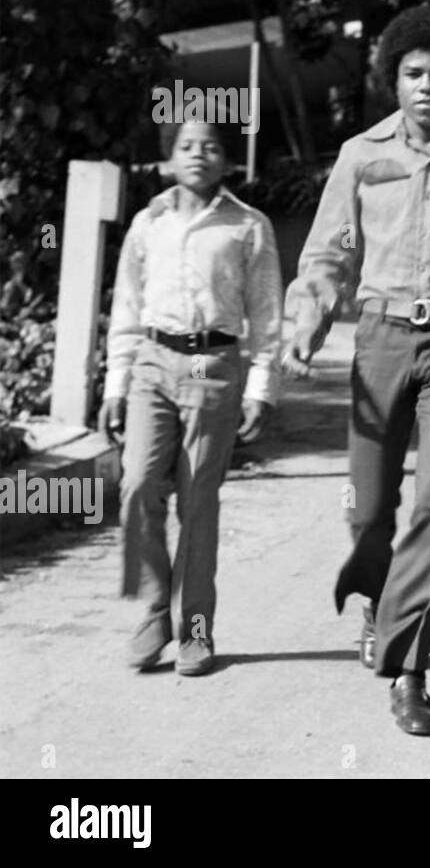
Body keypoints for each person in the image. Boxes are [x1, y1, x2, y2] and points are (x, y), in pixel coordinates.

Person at [283, 5, 430, 736]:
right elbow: (329, 251)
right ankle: (378, 603)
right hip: (382, 337)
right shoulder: (361, 155)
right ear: (395, 81)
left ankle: (411, 667)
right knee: (369, 506)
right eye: (414, 75)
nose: (427, 87)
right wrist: (307, 320)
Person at [100, 119, 282, 677]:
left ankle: (195, 628)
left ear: (227, 159)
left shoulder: (248, 226)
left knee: (198, 497)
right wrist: (116, 383)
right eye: (186, 145)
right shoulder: (147, 223)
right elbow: (127, 307)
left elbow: (266, 312)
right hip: (153, 362)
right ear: (168, 158)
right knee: (136, 484)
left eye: (211, 146)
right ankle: (155, 611)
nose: (198, 154)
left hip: (214, 363)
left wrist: (261, 386)